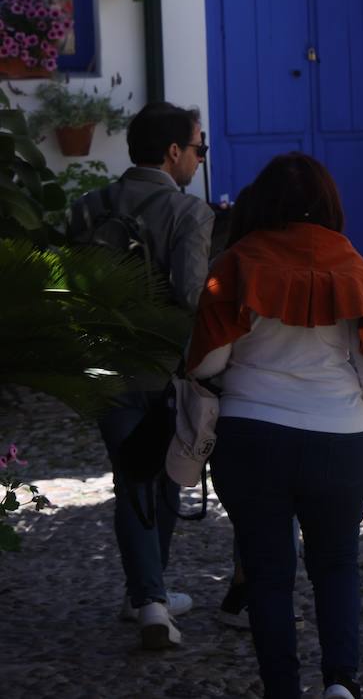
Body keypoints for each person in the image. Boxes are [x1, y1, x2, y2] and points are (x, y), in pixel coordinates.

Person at [187, 153, 363, 699]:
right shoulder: (354, 266)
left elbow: (206, 365)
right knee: (338, 564)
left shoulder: (236, 262)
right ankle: (341, 683)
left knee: (267, 575)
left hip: (251, 438)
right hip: (341, 440)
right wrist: (351, 415)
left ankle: (282, 689)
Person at [68, 101, 214, 650]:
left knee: (133, 478)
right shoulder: (190, 214)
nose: (200, 159)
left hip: (102, 365)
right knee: (167, 476)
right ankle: (150, 598)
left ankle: (147, 593)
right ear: (174, 152)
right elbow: (191, 295)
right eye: (198, 148)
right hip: (163, 368)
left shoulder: (88, 207)